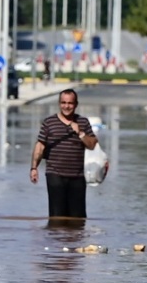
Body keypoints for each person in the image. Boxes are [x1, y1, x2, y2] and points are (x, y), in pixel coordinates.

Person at [29, 89, 98, 219]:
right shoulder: (49, 122)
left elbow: (92, 144)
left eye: (70, 103)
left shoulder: (83, 122)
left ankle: (76, 239)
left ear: (76, 104)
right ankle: (56, 238)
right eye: (63, 103)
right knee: (57, 216)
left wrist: (81, 133)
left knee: (78, 218)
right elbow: (40, 146)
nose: (66, 106)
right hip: (55, 174)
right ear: (59, 103)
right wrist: (34, 168)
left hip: (77, 176)